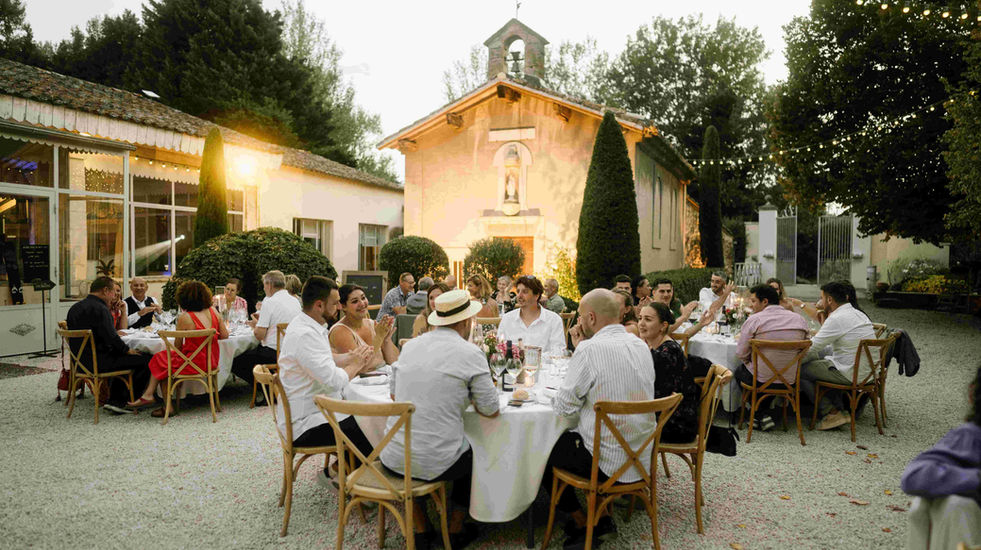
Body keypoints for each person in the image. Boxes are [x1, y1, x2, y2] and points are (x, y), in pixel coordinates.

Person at [381, 289, 499, 549]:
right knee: (476, 450)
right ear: (466, 322)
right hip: (435, 462)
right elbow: (490, 409)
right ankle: (455, 529)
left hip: (392, 456)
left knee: (419, 446)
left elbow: (393, 393)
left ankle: (422, 529)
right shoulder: (470, 353)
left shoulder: (410, 347)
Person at [544, 289, 658, 546]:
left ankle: (584, 522)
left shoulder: (588, 350)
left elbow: (564, 408)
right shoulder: (640, 345)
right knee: (584, 436)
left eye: (582, 318)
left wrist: (547, 395)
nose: (580, 323)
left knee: (544, 450)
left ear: (592, 318)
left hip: (604, 462)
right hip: (639, 456)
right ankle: (603, 515)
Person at [277, 276, 376, 483]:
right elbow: (334, 380)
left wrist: (352, 356)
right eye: (335, 303)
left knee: (366, 419)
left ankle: (339, 474)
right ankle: (363, 487)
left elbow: (325, 359)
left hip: (314, 409)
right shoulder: (305, 334)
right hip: (305, 422)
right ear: (319, 305)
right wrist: (357, 365)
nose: (339, 307)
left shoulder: (308, 324)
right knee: (370, 428)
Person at [900, 363, 981, 547]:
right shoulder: (971, 437)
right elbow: (913, 476)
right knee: (925, 505)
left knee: (956, 506)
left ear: (971, 395)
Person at [126, 280, 227, 418]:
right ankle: (150, 395)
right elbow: (225, 335)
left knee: (161, 359)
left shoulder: (185, 318)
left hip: (192, 363)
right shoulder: (214, 312)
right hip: (211, 362)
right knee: (164, 361)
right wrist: (207, 336)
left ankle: (162, 402)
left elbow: (178, 347)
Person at [65, 277, 151, 414]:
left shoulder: (75, 308)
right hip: (99, 362)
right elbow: (112, 338)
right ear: (105, 291)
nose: (114, 297)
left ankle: (115, 398)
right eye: (113, 292)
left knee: (126, 357)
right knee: (147, 359)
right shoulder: (101, 309)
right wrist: (127, 350)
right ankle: (121, 402)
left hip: (80, 362)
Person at [799, 281, 875, 431]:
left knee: (800, 369)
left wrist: (789, 361)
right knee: (817, 360)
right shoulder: (858, 313)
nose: (819, 301)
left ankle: (831, 413)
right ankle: (839, 408)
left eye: (821, 297)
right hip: (867, 371)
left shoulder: (836, 318)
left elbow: (812, 347)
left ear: (829, 300)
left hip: (851, 373)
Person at [733, 284, 810, 431]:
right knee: (763, 373)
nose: (751, 305)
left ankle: (758, 413)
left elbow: (741, 353)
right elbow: (804, 351)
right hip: (790, 380)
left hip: (760, 380)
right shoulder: (799, 320)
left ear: (765, 302)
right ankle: (761, 414)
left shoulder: (755, 320)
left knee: (739, 372)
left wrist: (752, 363)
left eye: (754, 301)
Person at [231, 270, 301, 400]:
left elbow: (259, 335)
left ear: (269, 285)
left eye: (264, 285)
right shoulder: (295, 301)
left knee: (235, 360)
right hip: (292, 351)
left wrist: (256, 326)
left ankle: (268, 389)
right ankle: (273, 386)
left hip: (273, 353)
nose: (264, 288)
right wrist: (258, 324)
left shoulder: (269, 301)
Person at [637, 302, 699, 443]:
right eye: (640, 318)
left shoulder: (665, 354)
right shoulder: (660, 346)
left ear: (663, 326)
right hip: (672, 416)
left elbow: (656, 396)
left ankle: (634, 463)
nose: (641, 324)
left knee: (618, 425)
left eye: (648, 319)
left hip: (676, 425)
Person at [330, 284, 399, 370]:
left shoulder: (372, 324)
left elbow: (395, 361)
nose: (362, 304)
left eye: (363, 298)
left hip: (384, 377)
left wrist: (386, 340)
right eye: (355, 301)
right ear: (343, 306)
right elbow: (360, 368)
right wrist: (379, 337)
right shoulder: (340, 331)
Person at [496, 275, 566, 356]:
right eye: (518, 291)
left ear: (536, 295)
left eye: (525, 292)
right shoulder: (507, 319)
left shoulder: (553, 320)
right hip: (514, 368)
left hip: (544, 368)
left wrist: (532, 356)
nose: (519, 295)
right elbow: (499, 348)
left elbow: (558, 352)